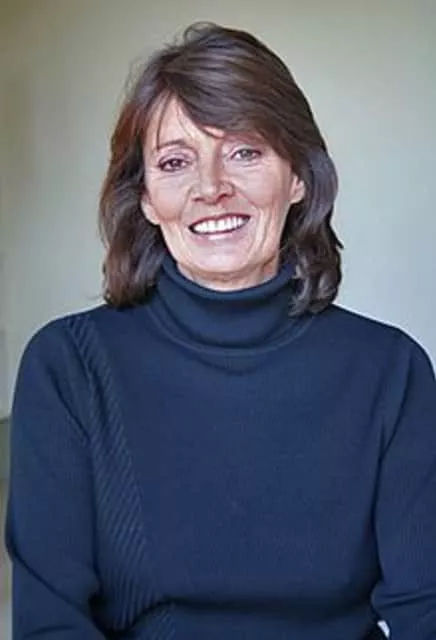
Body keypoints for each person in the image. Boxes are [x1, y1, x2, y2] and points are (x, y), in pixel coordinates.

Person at [5, 22, 436, 640]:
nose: (211, 188)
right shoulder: (68, 368)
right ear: (147, 198)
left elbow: (427, 608)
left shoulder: (392, 371)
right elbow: (52, 625)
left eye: (245, 152)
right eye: (175, 162)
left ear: (298, 177)